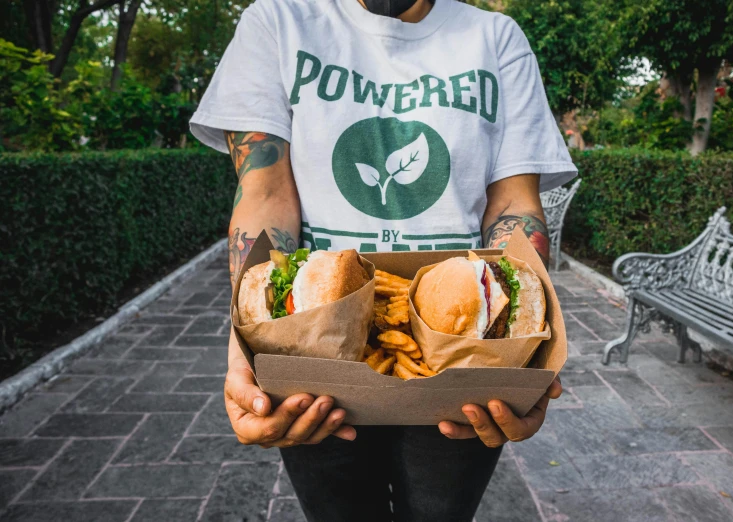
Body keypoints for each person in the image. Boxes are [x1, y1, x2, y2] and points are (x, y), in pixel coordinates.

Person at [190, 0, 576, 520]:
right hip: (311, 354)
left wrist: (524, 361)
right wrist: (245, 351)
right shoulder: (277, 21)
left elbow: (512, 204)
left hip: (464, 355)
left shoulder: (496, 37)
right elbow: (265, 190)